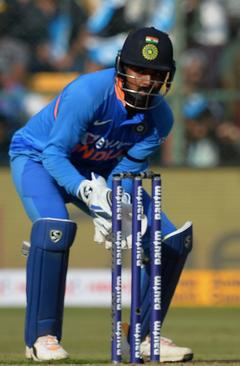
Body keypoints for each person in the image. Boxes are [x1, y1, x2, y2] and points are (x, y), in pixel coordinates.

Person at [9, 27, 193, 362]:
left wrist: (117, 205)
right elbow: (54, 155)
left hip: (103, 171)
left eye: (156, 74)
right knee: (55, 229)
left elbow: (128, 172)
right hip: (39, 158)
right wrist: (87, 192)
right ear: (122, 67)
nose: (146, 81)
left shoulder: (161, 118)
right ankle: (41, 337)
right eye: (139, 70)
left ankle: (141, 335)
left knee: (169, 240)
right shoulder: (88, 93)